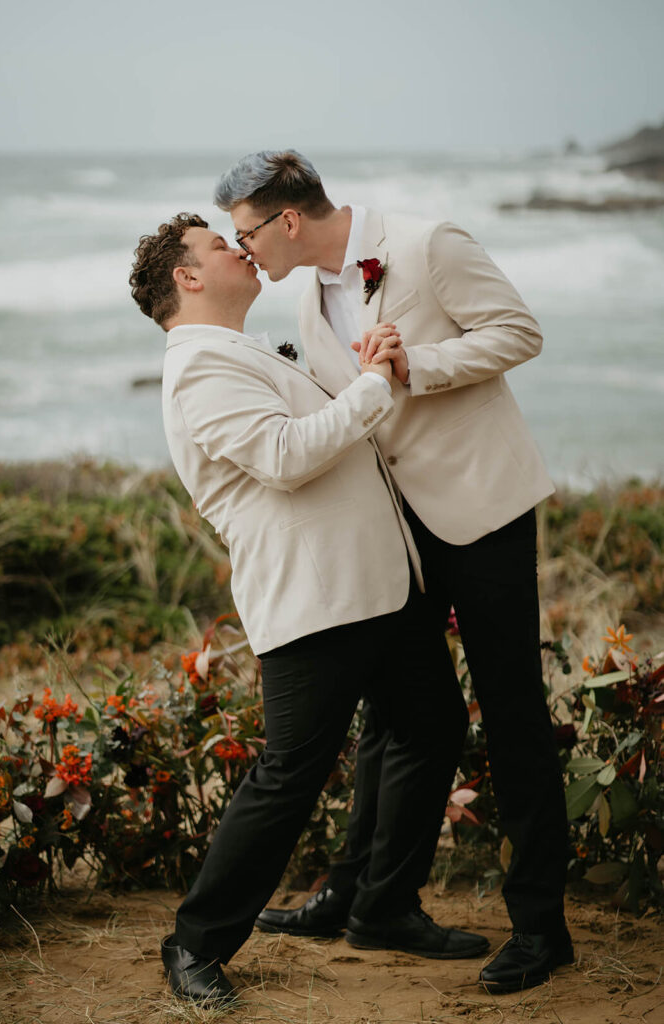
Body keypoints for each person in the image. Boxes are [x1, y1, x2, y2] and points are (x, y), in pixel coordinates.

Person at [214, 151, 574, 995]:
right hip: (395, 533)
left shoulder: (427, 244)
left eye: (246, 233)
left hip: (481, 515)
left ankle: (539, 927)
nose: (244, 252)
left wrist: (422, 363)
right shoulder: (305, 300)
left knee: (511, 708)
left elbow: (520, 331)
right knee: (395, 710)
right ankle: (355, 892)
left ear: (286, 220)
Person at [129, 213, 487, 1005]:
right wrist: (371, 386)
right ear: (186, 277)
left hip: (379, 587)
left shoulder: (241, 349)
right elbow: (285, 459)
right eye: (219, 245)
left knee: (429, 726)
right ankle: (194, 944)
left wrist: (364, 376)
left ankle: (382, 906)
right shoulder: (197, 368)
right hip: (314, 594)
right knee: (288, 775)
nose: (239, 246)